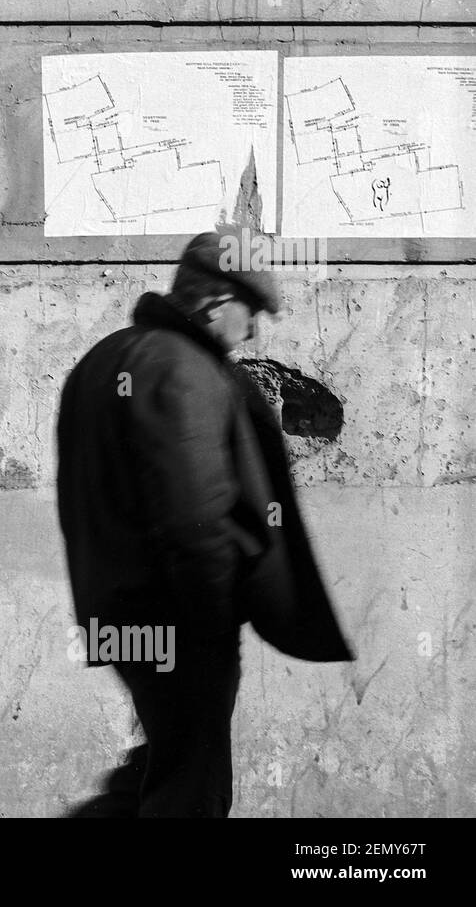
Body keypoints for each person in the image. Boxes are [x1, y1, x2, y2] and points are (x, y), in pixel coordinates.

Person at [57, 225, 354, 818]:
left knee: (166, 759)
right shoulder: (182, 367)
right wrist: (213, 620)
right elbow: (194, 516)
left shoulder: (104, 358)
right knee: (192, 786)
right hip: (180, 617)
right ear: (217, 302)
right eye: (252, 312)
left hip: (119, 610)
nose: (254, 331)